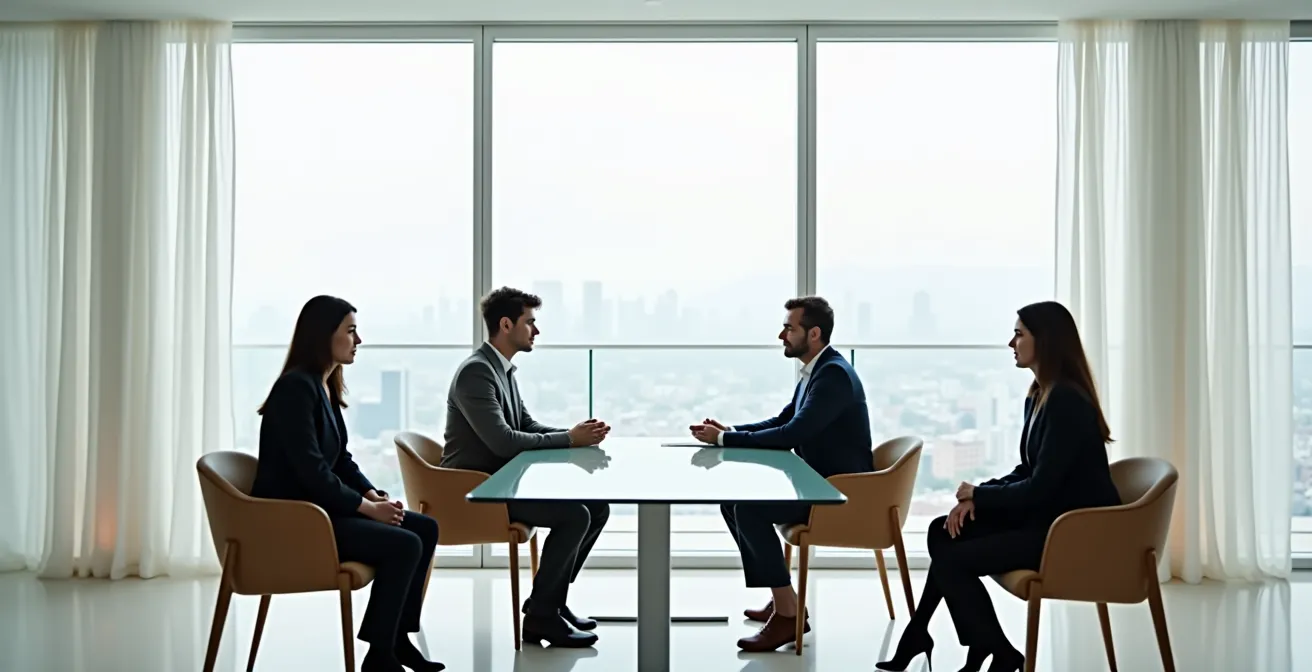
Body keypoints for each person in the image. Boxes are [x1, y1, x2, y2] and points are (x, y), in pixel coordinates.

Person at [877, 301, 1122, 672]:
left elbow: (1040, 488)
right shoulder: (1040, 394)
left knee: (953, 560)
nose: (1011, 342)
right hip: (1045, 519)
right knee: (941, 531)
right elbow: (1027, 468)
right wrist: (975, 496)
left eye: (1019, 334)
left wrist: (980, 496)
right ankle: (962, 640)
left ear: (1046, 341)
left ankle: (980, 646)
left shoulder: (1067, 402)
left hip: (1069, 533)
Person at [250, 296, 443, 672]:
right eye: (351, 331)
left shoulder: (323, 385)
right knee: (405, 544)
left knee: (425, 528)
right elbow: (312, 472)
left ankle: (395, 640)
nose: (359, 340)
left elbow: (339, 459)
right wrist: (368, 509)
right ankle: (380, 656)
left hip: (320, 509)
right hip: (297, 520)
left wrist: (372, 494)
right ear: (324, 335)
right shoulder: (295, 389)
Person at [689, 296, 874, 652]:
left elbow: (792, 434)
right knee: (734, 502)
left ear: (814, 333)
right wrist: (730, 431)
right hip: (817, 483)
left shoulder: (832, 375)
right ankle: (784, 597)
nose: (781, 335)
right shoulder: (819, 370)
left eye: (790, 328)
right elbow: (783, 420)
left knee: (749, 508)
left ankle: (789, 615)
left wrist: (727, 439)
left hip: (836, 493)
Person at [441, 286, 612, 648]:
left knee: (596, 509)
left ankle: (548, 603)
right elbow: (503, 441)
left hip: (502, 483)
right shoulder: (477, 373)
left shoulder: (501, 370)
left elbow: (526, 426)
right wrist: (569, 439)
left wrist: (575, 434)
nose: (536, 331)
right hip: (477, 491)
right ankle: (541, 619)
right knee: (575, 516)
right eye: (530, 322)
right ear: (506, 324)